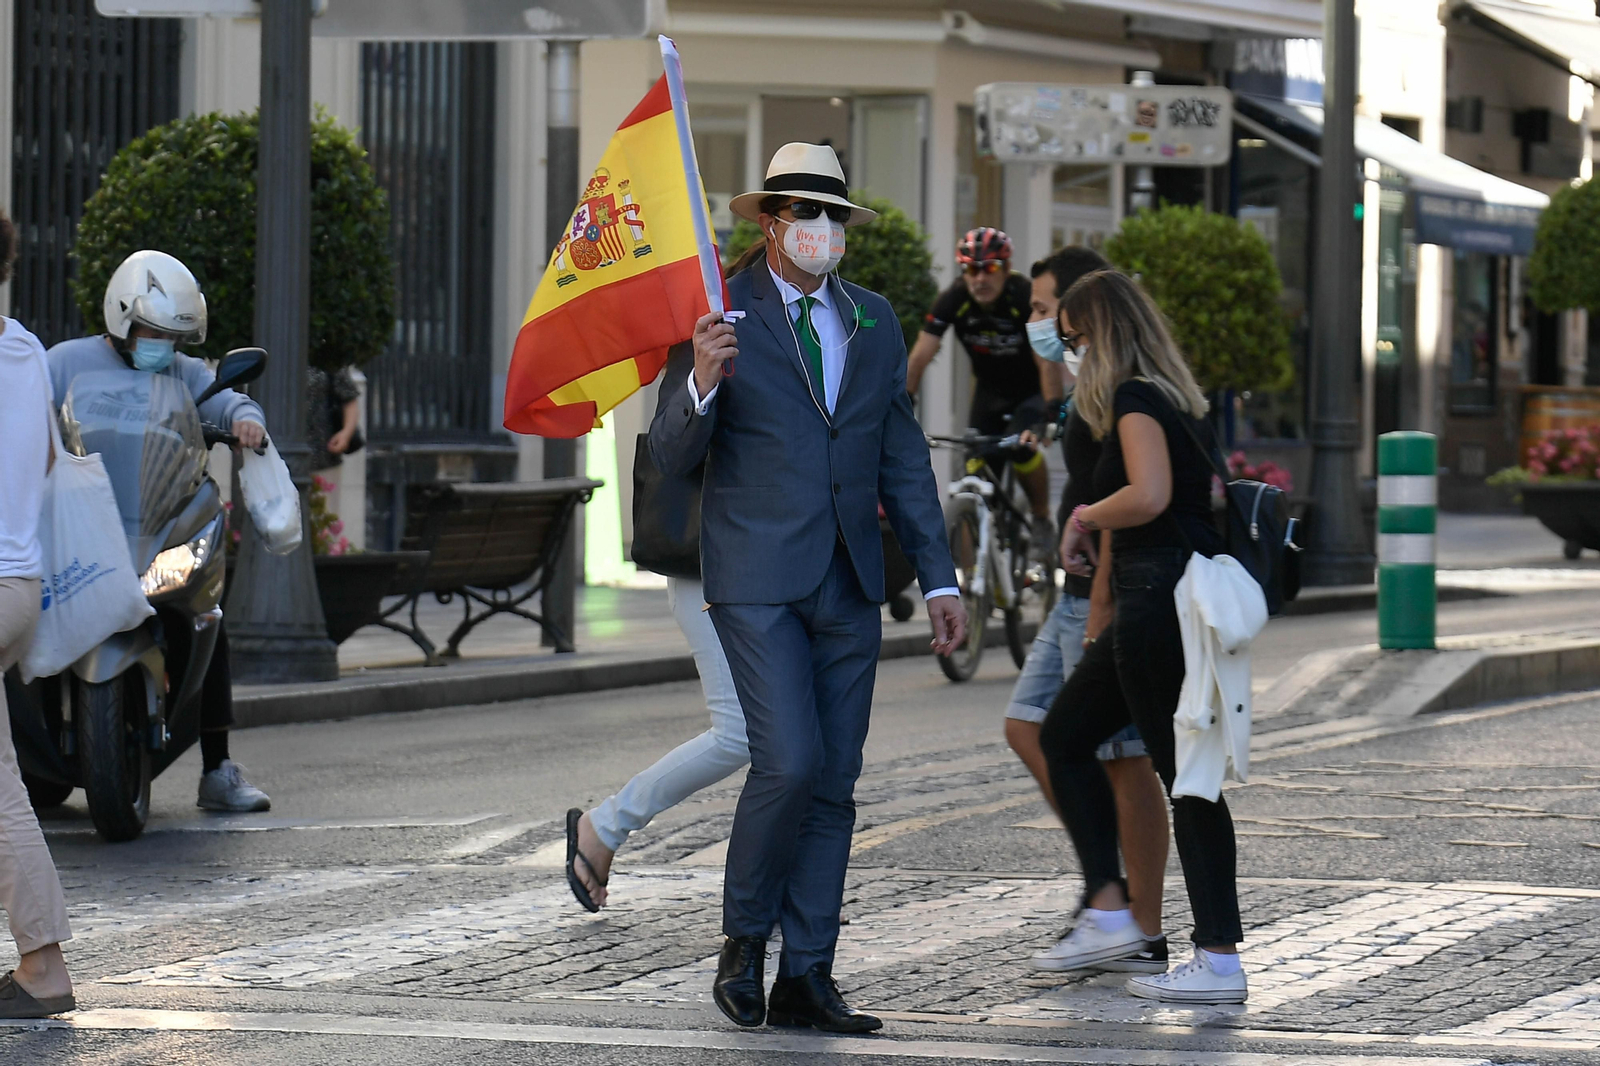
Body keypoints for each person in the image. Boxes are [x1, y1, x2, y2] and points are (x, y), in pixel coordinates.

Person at [650, 142, 964, 1034]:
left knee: (833, 782)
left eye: (833, 216)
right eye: (803, 214)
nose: (821, 230)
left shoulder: (872, 320)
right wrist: (703, 382)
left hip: (849, 582)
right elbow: (668, 454)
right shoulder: (719, 315)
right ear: (769, 223)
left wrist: (940, 578)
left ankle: (808, 973)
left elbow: (903, 460)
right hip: (754, 579)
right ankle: (742, 944)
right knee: (785, 761)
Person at [1034, 269, 1246, 1004]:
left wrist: (1087, 514)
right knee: (1067, 737)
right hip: (1156, 598)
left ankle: (1214, 958)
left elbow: (1150, 495)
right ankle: (1112, 909)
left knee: (1184, 772)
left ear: (1103, 335)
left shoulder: (1134, 397)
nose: (1071, 354)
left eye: (1075, 340)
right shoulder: (1176, 397)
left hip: (1157, 601)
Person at [47, 250, 271, 814]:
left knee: (206, 611)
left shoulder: (184, 372)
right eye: (151, 332)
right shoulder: (63, 364)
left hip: (155, 524)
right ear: (121, 319)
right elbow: (21, 406)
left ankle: (217, 767)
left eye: (172, 337)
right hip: (81, 527)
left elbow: (228, 396)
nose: (160, 345)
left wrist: (247, 421)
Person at [1004, 247, 1169, 970]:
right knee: (1028, 726)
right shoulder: (1084, 381)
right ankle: (1105, 883)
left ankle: (1141, 920)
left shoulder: (1120, 392)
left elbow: (1131, 492)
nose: (1037, 323)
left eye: (1046, 311)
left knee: (1123, 759)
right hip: (1077, 590)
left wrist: (1101, 596)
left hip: (1102, 591)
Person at [564, 346, 748, 911]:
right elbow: (672, 446)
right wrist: (705, 375)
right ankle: (604, 825)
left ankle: (789, 889)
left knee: (797, 739)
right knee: (741, 731)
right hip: (707, 566)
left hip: (784, 569)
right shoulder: (705, 342)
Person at [0, 209, 76, 1017]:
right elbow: (51, 457)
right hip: (19, 588)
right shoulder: (22, 347)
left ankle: (45, 966)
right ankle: (42, 968)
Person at [907, 228, 1056, 550]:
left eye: (989, 268)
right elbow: (920, 355)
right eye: (971, 269)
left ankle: (1042, 516)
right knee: (974, 470)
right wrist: (903, 404)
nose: (979, 279)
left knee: (1021, 449)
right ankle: (980, 568)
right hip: (988, 395)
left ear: (1005, 268)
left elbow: (1045, 361)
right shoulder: (955, 298)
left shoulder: (1022, 296)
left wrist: (1047, 412)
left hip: (1029, 393)